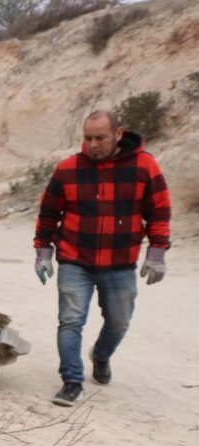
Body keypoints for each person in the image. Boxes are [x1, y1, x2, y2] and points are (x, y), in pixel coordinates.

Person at [34, 109, 170, 407]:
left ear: (118, 134)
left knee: (119, 323)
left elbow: (159, 212)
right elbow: (48, 213)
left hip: (120, 264)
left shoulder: (144, 166)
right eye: (87, 138)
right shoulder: (68, 169)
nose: (93, 144)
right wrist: (43, 252)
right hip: (74, 261)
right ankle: (71, 381)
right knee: (70, 321)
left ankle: (101, 355)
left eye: (100, 138)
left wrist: (157, 252)